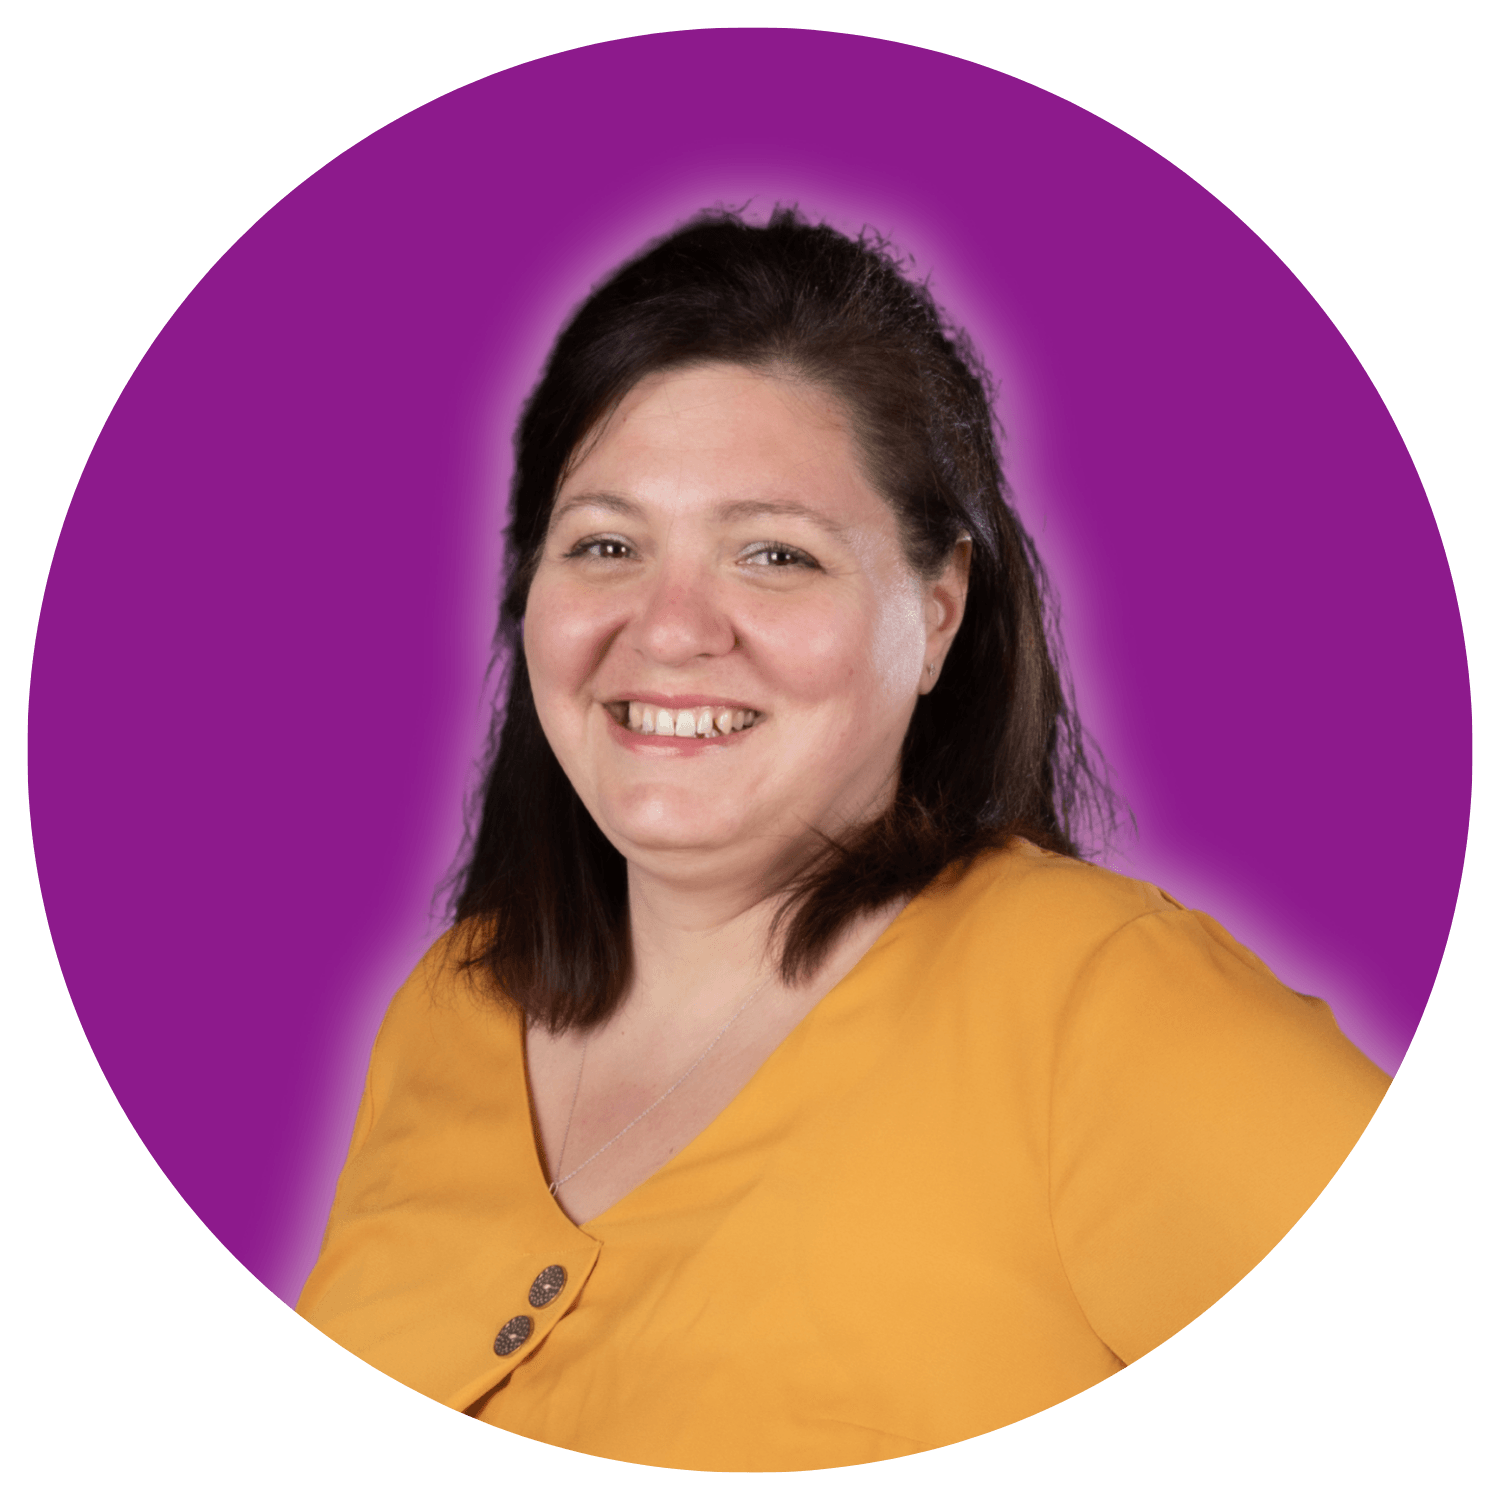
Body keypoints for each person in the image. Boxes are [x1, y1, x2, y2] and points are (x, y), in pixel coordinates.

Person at [297, 207, 1389, 1471]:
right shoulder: (450, 1006)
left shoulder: (1102, 1014)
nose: (670, 628)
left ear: (938, 611)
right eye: (606, 544)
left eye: (775, 554)